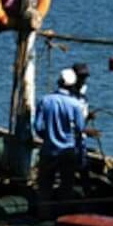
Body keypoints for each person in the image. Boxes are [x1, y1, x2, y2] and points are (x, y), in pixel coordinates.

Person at [33, 68, 87, 217]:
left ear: (59, 82)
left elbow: (38, 127)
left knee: (45, 186)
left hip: (49, 150)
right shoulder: (75, 105)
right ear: (72, 86)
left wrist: (49, 136)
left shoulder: (45, 101)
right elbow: (80, 128)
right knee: (66, 187)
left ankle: (43, 215)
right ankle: (62, 218)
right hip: (68, 151)